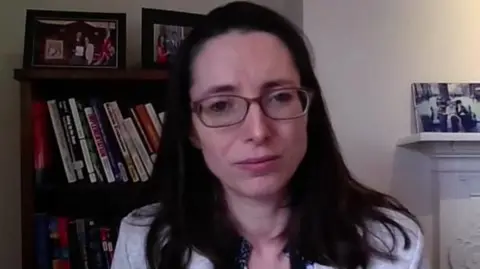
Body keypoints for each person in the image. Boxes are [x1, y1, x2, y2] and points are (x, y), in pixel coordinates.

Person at [111, 2, 427, 269]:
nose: (259, 132)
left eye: (279, 97)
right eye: (220, 105)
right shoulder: (142, 244)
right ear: (191, 129)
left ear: (308, 110)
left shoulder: (394, 246)